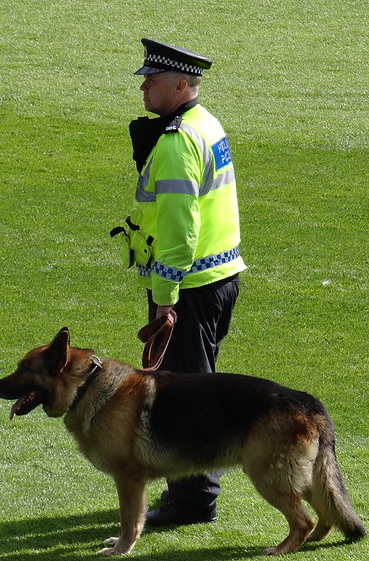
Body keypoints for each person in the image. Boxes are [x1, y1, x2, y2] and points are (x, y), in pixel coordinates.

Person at [113, 38, 246, 527]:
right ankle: (194, 494)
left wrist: (165, 301)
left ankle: (193, 501)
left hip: (188, 287)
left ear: (179, 84)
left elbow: (178, 229)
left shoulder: (176, 142)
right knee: (197, 386)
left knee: (184, 397)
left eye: (151, 79)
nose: (143, 84)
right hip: (219, 277)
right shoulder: (205, 123)